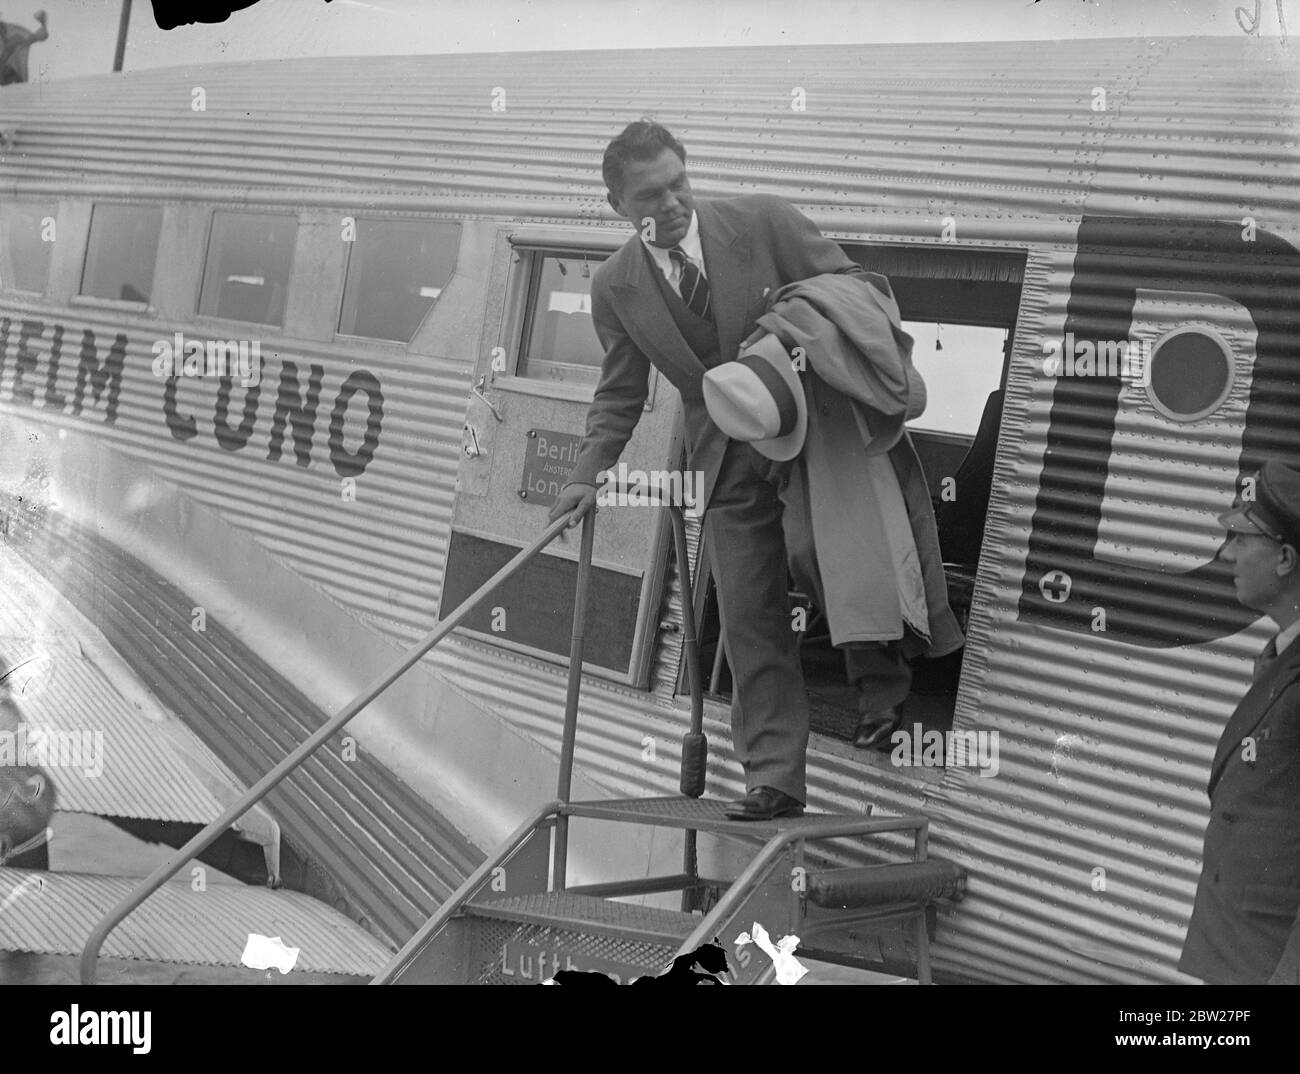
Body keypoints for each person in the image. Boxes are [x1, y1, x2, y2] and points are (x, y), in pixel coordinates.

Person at [548, 120, 908, 819]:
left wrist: (791, 329)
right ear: (620, 207)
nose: (675, 201)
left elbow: (855, 287)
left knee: (831, 555)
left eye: (680, 180)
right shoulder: (615, 287)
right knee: (748, 611)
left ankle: (881, 693)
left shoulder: (764, 220)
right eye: (652, 195)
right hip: (722, 454)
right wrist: (584, 476)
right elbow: (620, 394)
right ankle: (774, 779)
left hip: (807, 426)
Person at [1179, 459, 1300, 984]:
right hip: (1236, 949)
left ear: (1285, 559)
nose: (1227, 554)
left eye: (1243, 540)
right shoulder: (1283, 655)